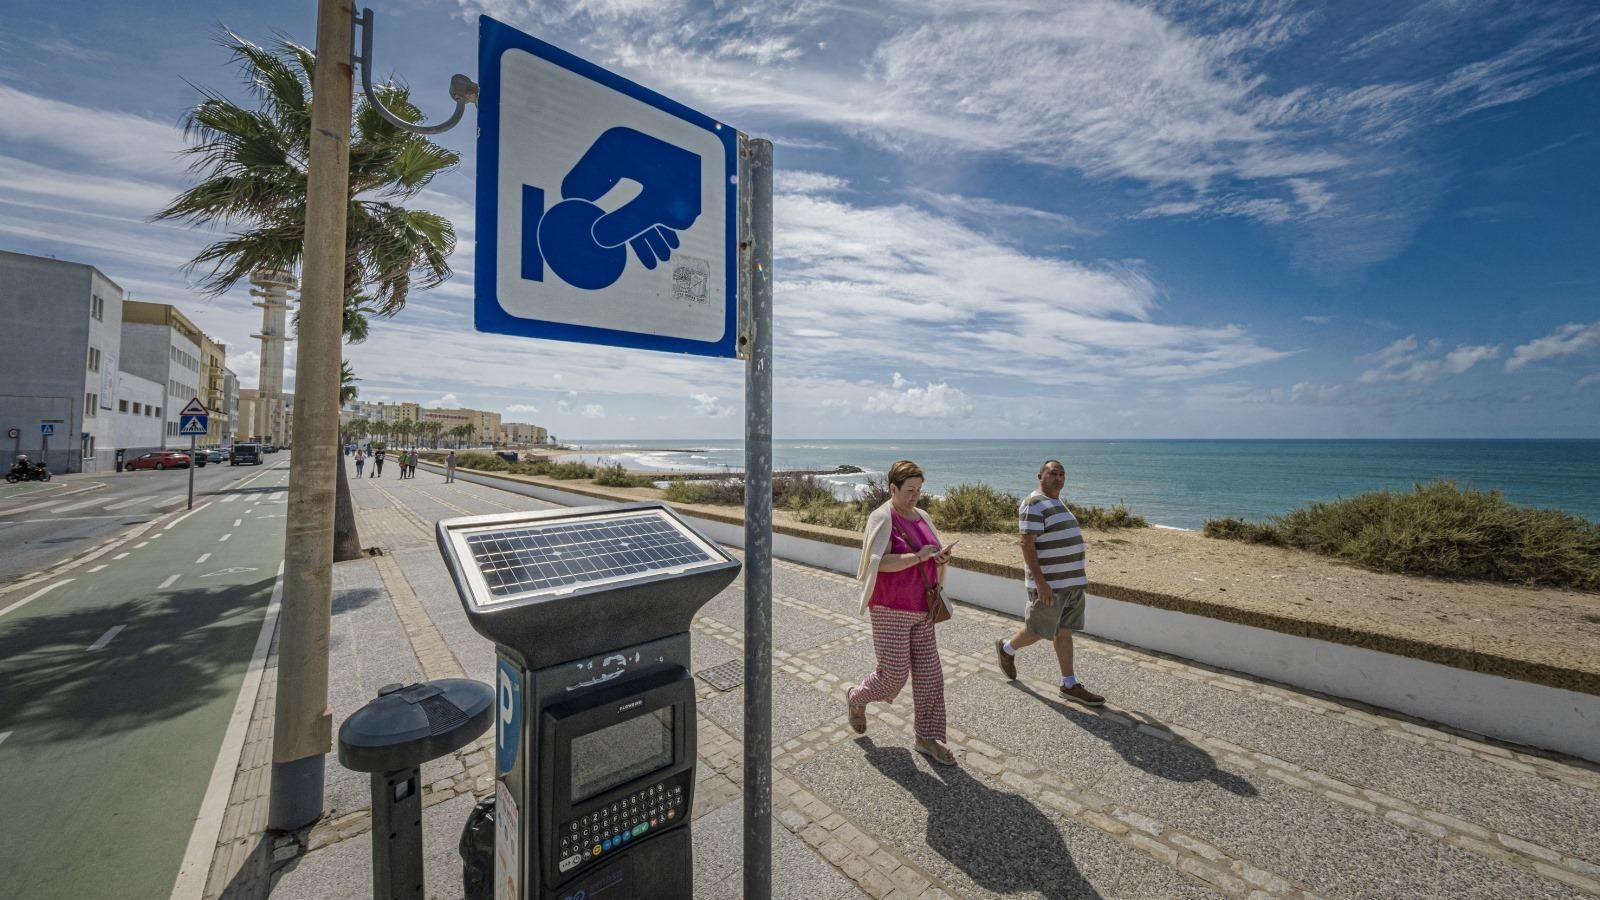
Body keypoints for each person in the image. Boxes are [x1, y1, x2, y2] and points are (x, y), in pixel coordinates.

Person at [846, 460, 958, 766]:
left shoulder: (922, 516)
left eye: (919, 490)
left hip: (924, 608)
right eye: (909, 490)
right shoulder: (882, 517)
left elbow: (929, 554)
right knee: (893, 678)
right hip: (889, 609)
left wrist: (940, 559)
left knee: (930, 677)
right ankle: (856, 697)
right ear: (892, 488)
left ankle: (926, 738)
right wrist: (918, 558)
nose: (915, 497)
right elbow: (877, 563)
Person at [994, 460, 1105, 706]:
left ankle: (1069, 684)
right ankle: (1007, 648)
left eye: (1062, 474)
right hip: (1051, 586)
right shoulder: (1033, 503)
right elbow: (1027, 544)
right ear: (1040, 476)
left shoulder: (1058, 503)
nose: (1059, 478)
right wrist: (1041, 583)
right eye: (1053, 473)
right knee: (1037, 630)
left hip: (1072, 584)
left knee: (1064, 633)